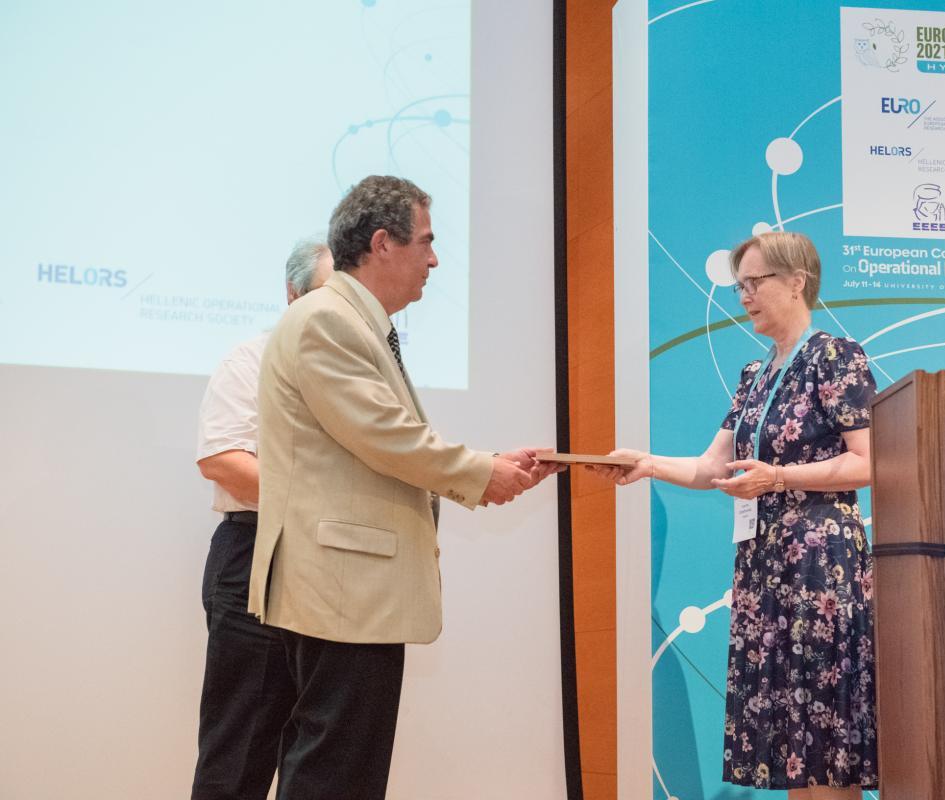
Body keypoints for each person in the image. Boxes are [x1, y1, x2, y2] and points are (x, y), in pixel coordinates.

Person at [247, 175, 559, 800]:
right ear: (382, 244)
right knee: (335, 773)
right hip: (345, 589)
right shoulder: (327, 320)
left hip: (349, 589)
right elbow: (385, 437)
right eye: (426, 242)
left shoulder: (353, 322)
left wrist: (490, 463)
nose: (435, 260)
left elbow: (379, 439)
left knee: (342, 768)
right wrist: (483, 473)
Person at [593, 232, 879, 798]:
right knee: (796, 750)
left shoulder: (835, 357)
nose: (744, 296)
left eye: (754, 283)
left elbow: (867, 461)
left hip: (819, 568)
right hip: (765, 568)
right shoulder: (755, 375)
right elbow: (712, 468)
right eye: (739, 286)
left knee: (827, 746)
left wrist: (778, 477)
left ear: (796, 282)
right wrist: (644, 463)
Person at [191, 238, 334, 800]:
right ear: (293, 294)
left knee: (320, 757)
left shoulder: (365, 374)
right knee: (238, 757)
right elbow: (222, 460)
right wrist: (324, 503)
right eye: (327, 295)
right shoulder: (250, 361)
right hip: (258, 557)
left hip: (335, 567)